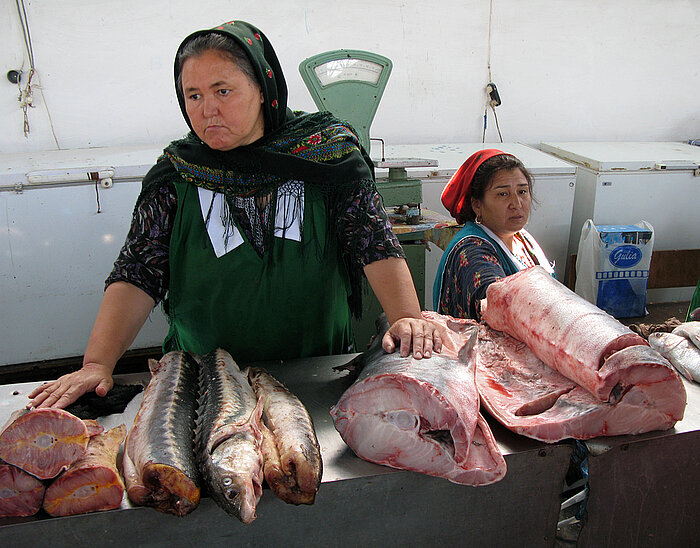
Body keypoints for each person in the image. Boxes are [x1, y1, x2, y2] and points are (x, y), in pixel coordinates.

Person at [29, 20, 442, 409]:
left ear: (262, 88)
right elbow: (138, 273)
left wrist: (407, 317)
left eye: (222, 91)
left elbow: (373, 244)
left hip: (316, 376)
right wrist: (97, 364)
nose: (207, 110)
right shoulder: (177, 174)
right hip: (201, 389)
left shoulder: (328, 158)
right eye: (194, 95)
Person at [433, 149, 554, 320]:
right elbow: (500, 303)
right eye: (502, 194)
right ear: (476, 205)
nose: (516, 203)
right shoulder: (471, 250)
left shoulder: (523, 239)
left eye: (522, 192)